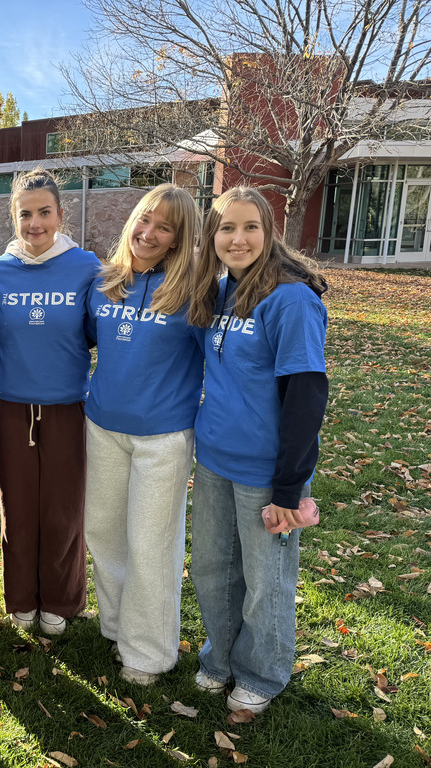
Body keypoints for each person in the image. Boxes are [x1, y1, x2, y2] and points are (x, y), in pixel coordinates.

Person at [187, 186, 328, 714]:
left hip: (266, 472)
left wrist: (289, 486)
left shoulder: (291, 298)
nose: (238, 238)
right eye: (227, 228)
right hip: (215, 458)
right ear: (213, 236)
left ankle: (262, 675)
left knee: (266, 583)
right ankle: (219, 658)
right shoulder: (222, 289)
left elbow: (306, 396)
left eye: (250, 227)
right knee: (214, 570)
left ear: (270, 233)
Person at [82, 184, 203, 684]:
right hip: (103, 426)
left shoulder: (197, 290)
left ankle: (148, 652)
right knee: (105, 533)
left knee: (152, 545)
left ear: (178, 239)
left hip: (163, 437)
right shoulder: (105, 281)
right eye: (144, 220)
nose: (148, 233)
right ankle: (116, 627)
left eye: (164, 227)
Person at [0, 169, 100, 636]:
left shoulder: (86, 266)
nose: (35, 223)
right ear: (14, 217)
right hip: (9, 408)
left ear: (60, 214)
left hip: (66, 407)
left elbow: (97, 332)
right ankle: (23, 599)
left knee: (63, 510)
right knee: (17, 508)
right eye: (25, 213)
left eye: (44, 212)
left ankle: (60, 599)